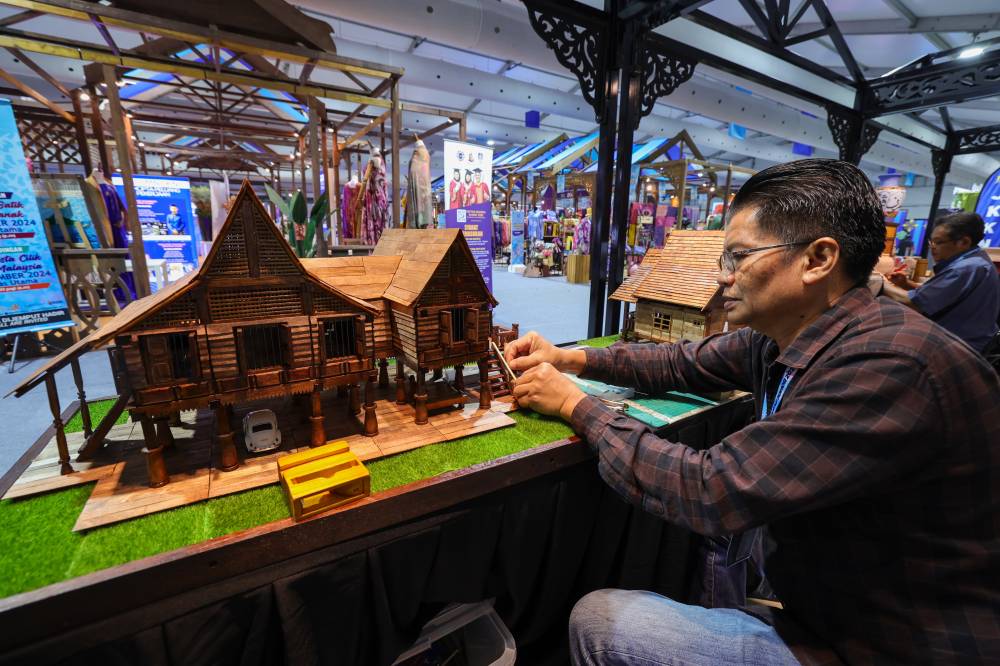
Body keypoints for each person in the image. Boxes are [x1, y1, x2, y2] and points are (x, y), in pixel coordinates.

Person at [504, 159, 1000, 664]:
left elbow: (708, 490)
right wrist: (572, 358)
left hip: (889, 645)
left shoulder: (890, 365)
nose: (723, 277)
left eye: (739, 256)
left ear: (818, 259)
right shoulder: (798, 333)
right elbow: (684, 362)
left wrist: (575, 404)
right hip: (837, 608)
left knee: (602, 622)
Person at [881, 211, 1000, 352]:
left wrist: (879, 282)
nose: (932, 248)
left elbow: (915, 303)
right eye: (931, 242)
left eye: (938, 242)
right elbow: (943, 292)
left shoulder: (967, 268)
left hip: (958, 347)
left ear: (964, 242)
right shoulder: (977, 260)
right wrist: (906, 284)